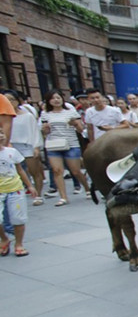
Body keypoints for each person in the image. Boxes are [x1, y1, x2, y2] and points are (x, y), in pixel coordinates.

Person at [40, 89, 90, 206]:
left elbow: (81, 130)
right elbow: (45, 132)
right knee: (57, 171)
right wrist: (45, 129)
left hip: (71, 144)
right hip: (53, 145)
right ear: (48, 101)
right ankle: (63, 197)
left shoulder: (70, 111)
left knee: (75, 171)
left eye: (58, 98)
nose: (56, 100)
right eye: (53, 98)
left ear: (62, 99)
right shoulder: (45, 113)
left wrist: (75, 124)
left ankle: (87, 189)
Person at [0, 123, 37, 257]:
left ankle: (19, 243)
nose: (1, 136)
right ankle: (4, 239)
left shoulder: (12, 152)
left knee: (18, 218)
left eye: (1, 132)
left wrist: (29, 185)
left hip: (15, 189)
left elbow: (20, 170)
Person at [2, 90, 43, 204]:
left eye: (11, 100)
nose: (9, 102)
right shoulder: (4, 117)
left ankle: (38, 195)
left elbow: (35, 131)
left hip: (27, 145)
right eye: (6, 100)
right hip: (10, 146)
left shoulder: (27, 115)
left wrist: (36, 147)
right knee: (15, 172)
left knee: (34, 171)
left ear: (17, 100)